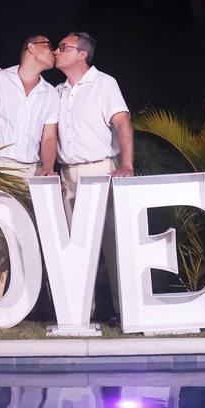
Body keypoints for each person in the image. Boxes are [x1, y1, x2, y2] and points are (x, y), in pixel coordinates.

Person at [0, 34, 60, 300]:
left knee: (28, 240)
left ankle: (27, 303)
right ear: (31, 48)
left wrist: (48, 166)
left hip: (31, 172)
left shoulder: (50, 93)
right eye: (49, 46)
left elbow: (49, 136)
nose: (54, 51)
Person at [53, 32, 133, 313]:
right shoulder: (58, 91)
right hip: (68, 175)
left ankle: (125, 311)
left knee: (113, 244)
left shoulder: (104, 83)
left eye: (63, 47)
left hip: (101, 169)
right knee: (75, 247)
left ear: (81, 54)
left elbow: (123, 124)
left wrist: (127, 165)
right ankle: (80, 314)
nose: (56, 50)